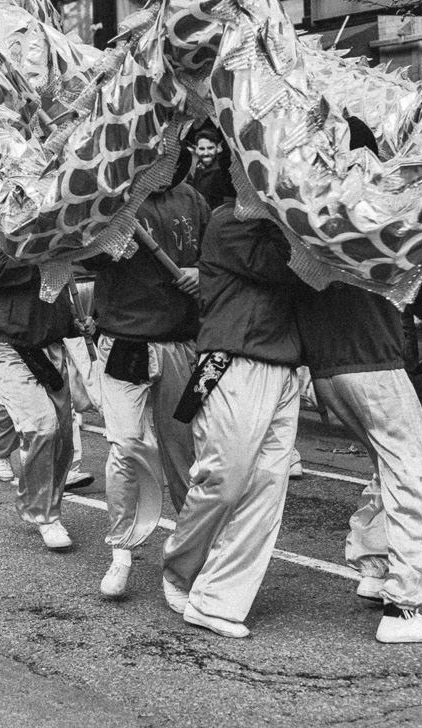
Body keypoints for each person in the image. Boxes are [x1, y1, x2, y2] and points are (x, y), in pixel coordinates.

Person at [161, 212, 304, 639]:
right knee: (224, 481)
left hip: (285, 367)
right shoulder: (231, 221)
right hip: (233, 362)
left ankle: (217, 600)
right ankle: (180, 570)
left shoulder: (293, 220)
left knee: (266, 487)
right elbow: (284, 267)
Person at [297, 282, 422, 643]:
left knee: (387, 467)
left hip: (327, 367)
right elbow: (421, 285)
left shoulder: (312, 230)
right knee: (412, 475)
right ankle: (403, 606)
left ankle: (376, 568)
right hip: (372, 358)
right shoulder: (369, 228)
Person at [85, 147, 209, 599]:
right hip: (124, 343)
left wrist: (201, 273)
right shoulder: (111, 198)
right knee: (127, 448)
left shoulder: (193, 199)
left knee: (186, 457)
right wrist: (104, 239)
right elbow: (81, 257)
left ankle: (187, 560)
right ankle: (121, 551)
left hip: (181, 342)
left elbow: (215, 259)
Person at [0, 231, 76, 550]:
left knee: (64, 438)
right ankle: (44, 514)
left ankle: (0, 440)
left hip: (47, 340)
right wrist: (52, 257)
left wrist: (74, 323)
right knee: (42, 427)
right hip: (3, 341)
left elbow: (61, 286)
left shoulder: (66, 223)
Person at [188, 129, 235, 211]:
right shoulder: (199, 167)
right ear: (196, 149)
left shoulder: (223, 171)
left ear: (218, 148)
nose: (206, 153)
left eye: (210, 148)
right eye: (202, 149)